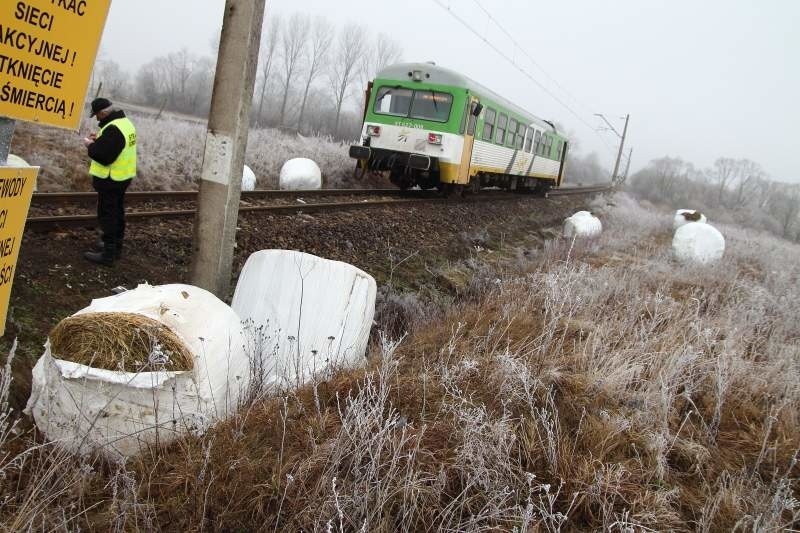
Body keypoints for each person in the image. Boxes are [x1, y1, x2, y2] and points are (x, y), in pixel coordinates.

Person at [83, 98, 137, 266]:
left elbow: (105, 156)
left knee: (108, 216)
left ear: (104, 113)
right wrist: (99, 139)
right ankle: (115, 246)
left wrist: (90, 146)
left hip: (110, 180)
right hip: (122, 178)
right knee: (117, 213)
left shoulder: (114, 129)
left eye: (97, 115)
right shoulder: (125, 123)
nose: (97, 119)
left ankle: (108, 255)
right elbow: (115, 146)